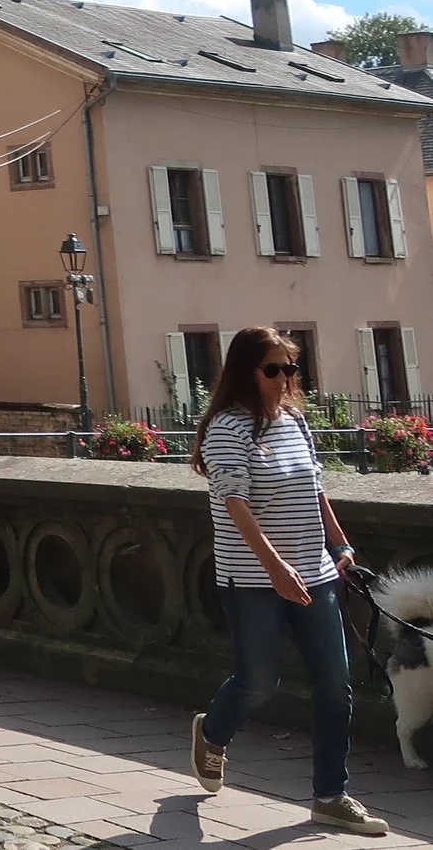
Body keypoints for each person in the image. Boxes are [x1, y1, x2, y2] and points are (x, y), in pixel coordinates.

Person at [188, 326, 384, 835]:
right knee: (258, 682)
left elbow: (314, 489)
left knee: (334, 683)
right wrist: (274, 566)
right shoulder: (228, 428)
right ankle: (211, 734)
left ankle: (330, 795)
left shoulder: (294, 422)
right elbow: (234, 503)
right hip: (251, 577)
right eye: (272, 368)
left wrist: (338, 546)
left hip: (314, 574)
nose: (284, 378)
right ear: (245, 372)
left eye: (290, 368)